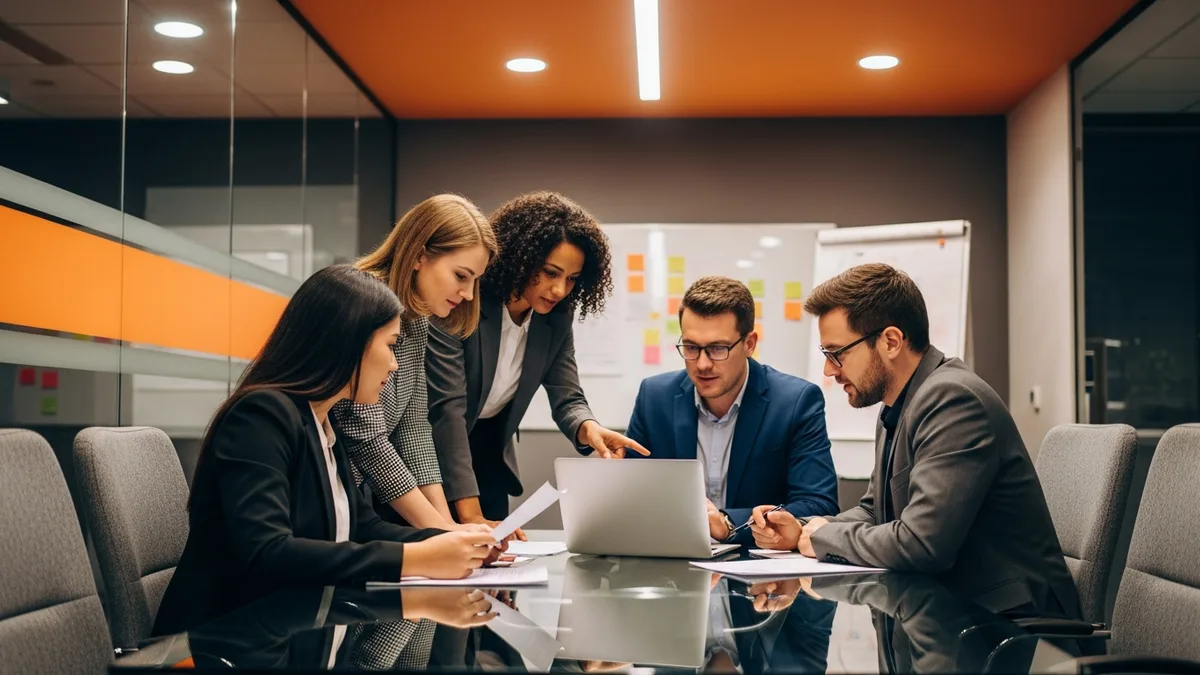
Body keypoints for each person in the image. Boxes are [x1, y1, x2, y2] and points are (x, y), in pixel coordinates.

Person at [154, 265, 501, 637]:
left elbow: (359, 526)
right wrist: (417, 558)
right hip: (222, 645)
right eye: (390, 345)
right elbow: (266, 553)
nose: (394, 363)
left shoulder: (320, 421)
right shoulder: (261, 417)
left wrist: (452, 543)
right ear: (349, 343)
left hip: (289, 631)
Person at [750, 263, 1082, 620]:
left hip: (1011, 630)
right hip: (951, 615)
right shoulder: (900, 402)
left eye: (837, 353)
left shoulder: (953, 400)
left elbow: (922, 545)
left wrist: (821, 539)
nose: (829, 371)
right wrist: (803, 529)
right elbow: (875, 512)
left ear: (891, 341)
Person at [427, 191, 647, 527]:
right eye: (550, 272)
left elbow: (567, 394)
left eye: (572, 279)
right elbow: (448, 410)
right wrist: (470, 513)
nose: (560, 290)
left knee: (497, 570)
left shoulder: (555, 317)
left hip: (488, 457)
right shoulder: (465, 300)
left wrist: (590, 429)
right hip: (433, 456)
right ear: (520, 257)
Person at [624, 276, 839, 545]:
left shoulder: (795, 402)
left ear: (749, 344)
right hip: (671, 569)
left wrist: (728, 523)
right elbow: (629, 495)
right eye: (691, 347)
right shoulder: (655, 397)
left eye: (717, 349)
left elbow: (819, 505)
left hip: (759, 577)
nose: (702, 364)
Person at [332, 194, 497, 531]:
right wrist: (442, 532)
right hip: (317, 495)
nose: (468, 293)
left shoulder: (417, 318)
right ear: (421, 255)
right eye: (461, 275)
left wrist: (445, 524)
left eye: (475, 280)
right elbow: (366, 436)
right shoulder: (361, 303)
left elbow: (414, 426)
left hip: (351, 499)